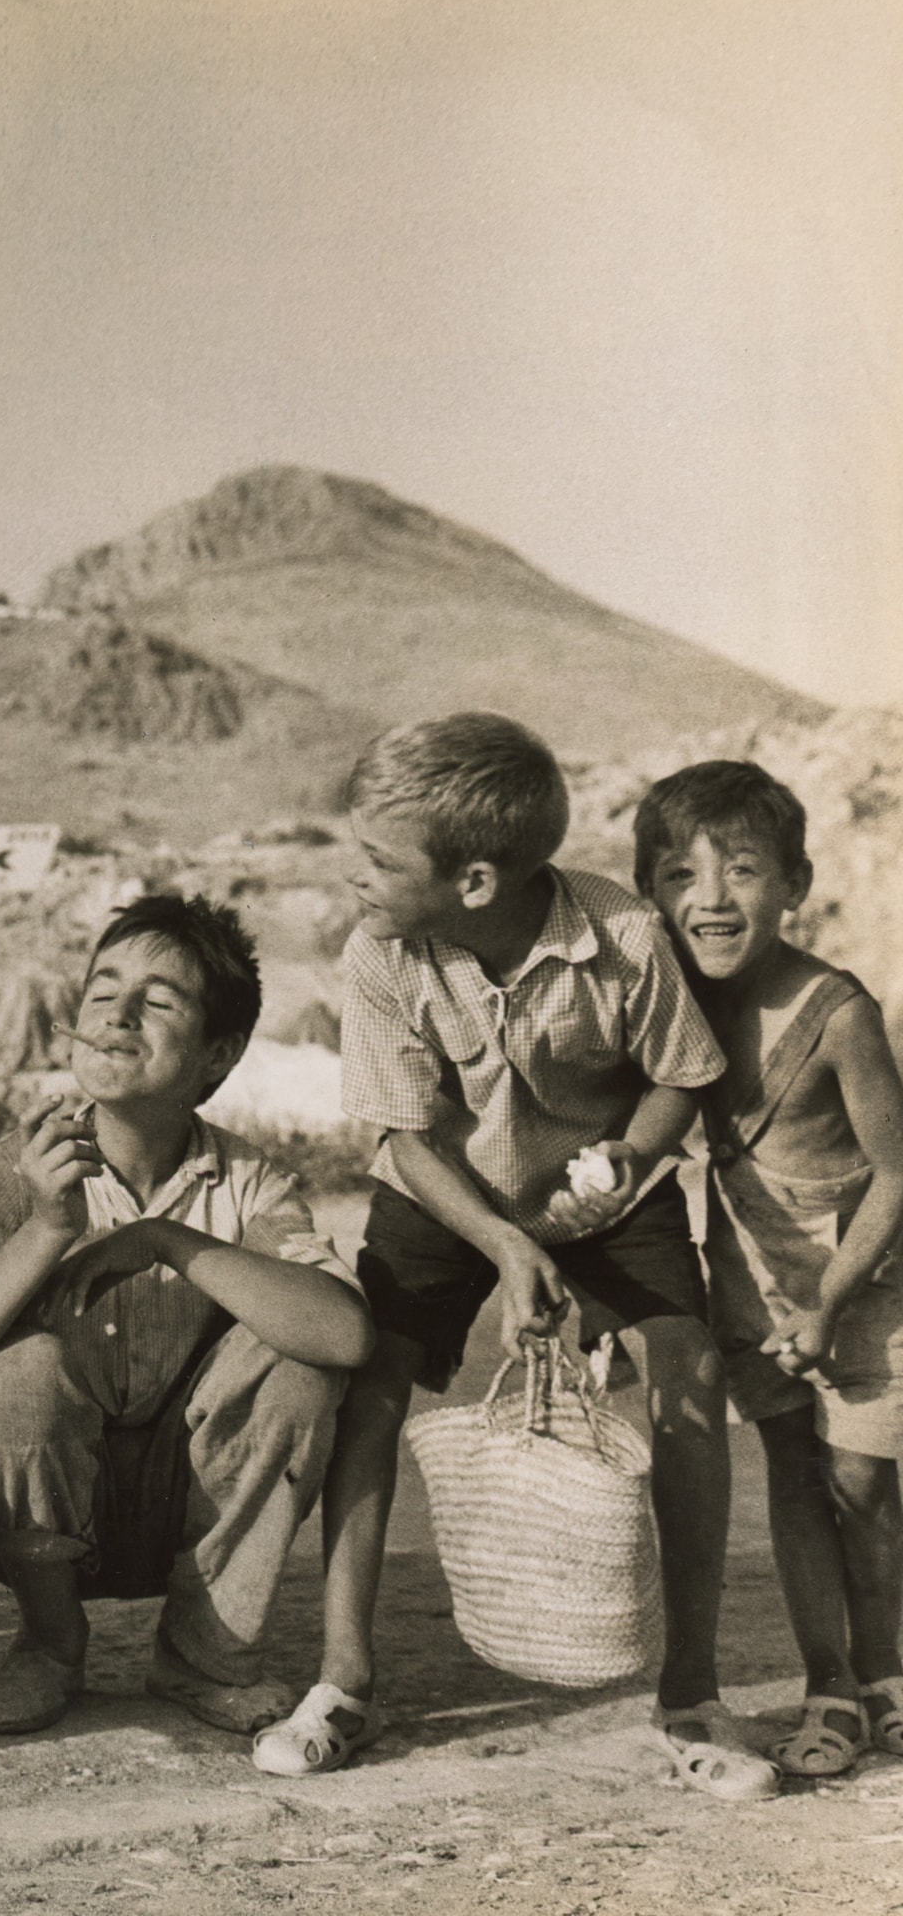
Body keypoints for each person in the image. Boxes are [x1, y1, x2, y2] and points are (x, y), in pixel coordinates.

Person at [269, 712, 766, 1795]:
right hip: (446, 1195)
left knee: (689, 1380)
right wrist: (501, 1247)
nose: (355, 880)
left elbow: (679, 1075)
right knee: (371, 1387)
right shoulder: (380, 953)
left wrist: (623, 1167)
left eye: (378, 862)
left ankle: (690, 1692)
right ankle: (344, 1679)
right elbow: (403, 1133)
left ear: (477, 882)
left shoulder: (623, 934)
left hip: (605, 1193)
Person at [0, 894, 371, 1741]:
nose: (118, 1014)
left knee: (299, 1366)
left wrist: (165, 1239)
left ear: (218, 1054)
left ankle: (206, 1656)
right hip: (42, 1518)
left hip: (183, 1505)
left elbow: (343, 1334)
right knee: (16, 1372)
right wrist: (50, 1228)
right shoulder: (15, 1172)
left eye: (159, 1001)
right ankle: (51, 1642)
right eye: (102, 991)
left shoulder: (248, 1183)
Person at [636, 760, 903, 1776]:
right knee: (794, 1476)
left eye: (740, 869)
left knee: (863, 1483)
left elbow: (895, 1175)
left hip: (865, 1285)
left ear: (793, 880)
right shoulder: (673, 1010)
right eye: (676, 876)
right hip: (751, 1283)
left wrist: (833, 1299)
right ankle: (828, 1683)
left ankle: (884, 1672)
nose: (708, 898)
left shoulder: (837, 1013)